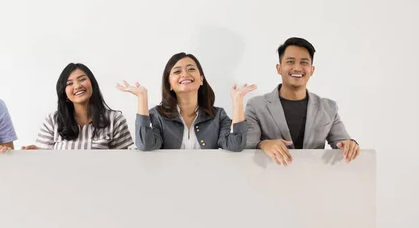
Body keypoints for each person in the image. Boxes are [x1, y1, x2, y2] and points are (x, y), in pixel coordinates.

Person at [245, 37, 359, 165]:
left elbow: (342, 142)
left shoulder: (328, 107)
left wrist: (350, 145)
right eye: (290, 61)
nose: (297, 68)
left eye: (304, 62)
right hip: (270, 178)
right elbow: (247, 145)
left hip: (313, 179)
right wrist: (263, 144)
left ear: (312, 70)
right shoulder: (256, 105)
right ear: (279, 68)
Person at [117, 52, 256, 151]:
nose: (185, 74)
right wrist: (142, 98)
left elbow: (236, 145)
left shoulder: (218, 116)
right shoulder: (157, 115)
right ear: (169, 84)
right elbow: (145, 145)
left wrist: (238, 102)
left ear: (201, 79)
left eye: (191, 69)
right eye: (177, 71)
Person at [23, 63, 133, 150]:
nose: (77, 86)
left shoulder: (115, 121)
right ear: (64, 92)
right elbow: (43, 162)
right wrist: (33, 154)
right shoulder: (52, 121)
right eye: (69, 83)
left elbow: (122, 164)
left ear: (92, 84)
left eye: (82, 79)